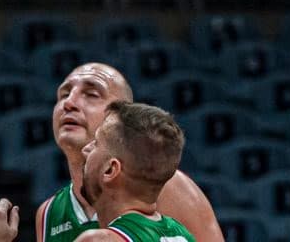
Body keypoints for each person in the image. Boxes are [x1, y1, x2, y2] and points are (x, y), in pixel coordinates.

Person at [38, 63, 223, 242]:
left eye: (91, 95)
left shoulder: (168, 188)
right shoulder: (49, 213)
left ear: (122, 117)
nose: (69, 103)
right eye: (64, 94)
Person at [0, 102, 195, 242]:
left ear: (110, 169)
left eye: (96, 143)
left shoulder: (98, 241)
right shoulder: (183, 235)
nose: (86, 149)